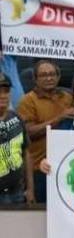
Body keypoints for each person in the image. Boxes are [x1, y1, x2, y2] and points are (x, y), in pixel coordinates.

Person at [17, 60, 74, 203]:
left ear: (58, 76)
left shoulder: (68, 97)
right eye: (43, 75)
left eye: (52, 74)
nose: (49, 78)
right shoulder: (27, 101)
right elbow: (28, 132)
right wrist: (59, 118)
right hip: (39, 169)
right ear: (35, 79)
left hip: (65, 166)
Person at [0, 76, 28, 205]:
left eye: (6, 91)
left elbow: (26, 153)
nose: (3, 95)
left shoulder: (16, 117)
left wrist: (30, 189)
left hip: (17, 192)